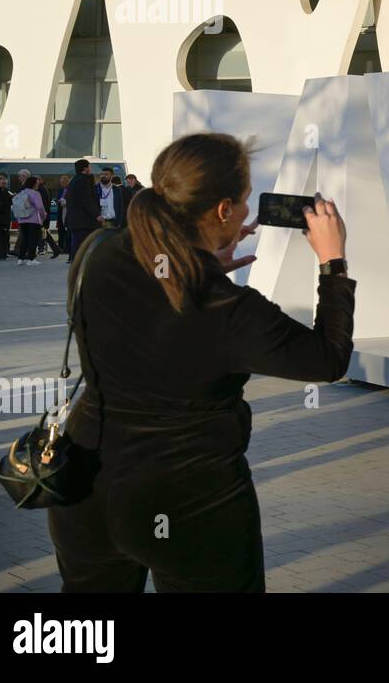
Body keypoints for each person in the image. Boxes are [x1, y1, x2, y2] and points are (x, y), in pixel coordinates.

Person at [46, 132, 356, 593]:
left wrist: (201, 266)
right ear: (223, 210)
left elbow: (153, 303)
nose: (249, 212)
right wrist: (332, 261)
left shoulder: (95, 252)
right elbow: (328, 359)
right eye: (245, 201)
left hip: (84, 487)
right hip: (192, 503)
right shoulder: (228, 309)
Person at [64, 159, 100, 258]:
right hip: (84, 220)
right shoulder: (84, 180)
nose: (90, 169)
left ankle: (76, 264)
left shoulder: (74, 180)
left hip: (75, 220)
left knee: (77, 244)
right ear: (85, 168)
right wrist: (97, 214)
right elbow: (87, 200)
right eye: (89, 166)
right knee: (85, 245)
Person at [12, 177, 46, 265]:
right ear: (34, 184)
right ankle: (31, 259)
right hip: (33, 219)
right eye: (37, 183)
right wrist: (43, 216)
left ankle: (21, 258)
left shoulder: (21, 192)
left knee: (25, 239)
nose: (38, 184)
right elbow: (40, 207)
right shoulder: (36, 193)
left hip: (22, 220)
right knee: (33, 239)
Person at [55, 174, 71, 256]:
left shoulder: (71, 190)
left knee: (68, 232)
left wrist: (65, 202)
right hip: (60, 212)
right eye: (61, 182)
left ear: (67, 182)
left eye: (64, 182)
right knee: (60, 230)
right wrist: (58, 201)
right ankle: (60, 247)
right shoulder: (60, 190)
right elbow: (57, 198)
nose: (62, 184)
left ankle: (67, 248)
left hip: (68, 213)